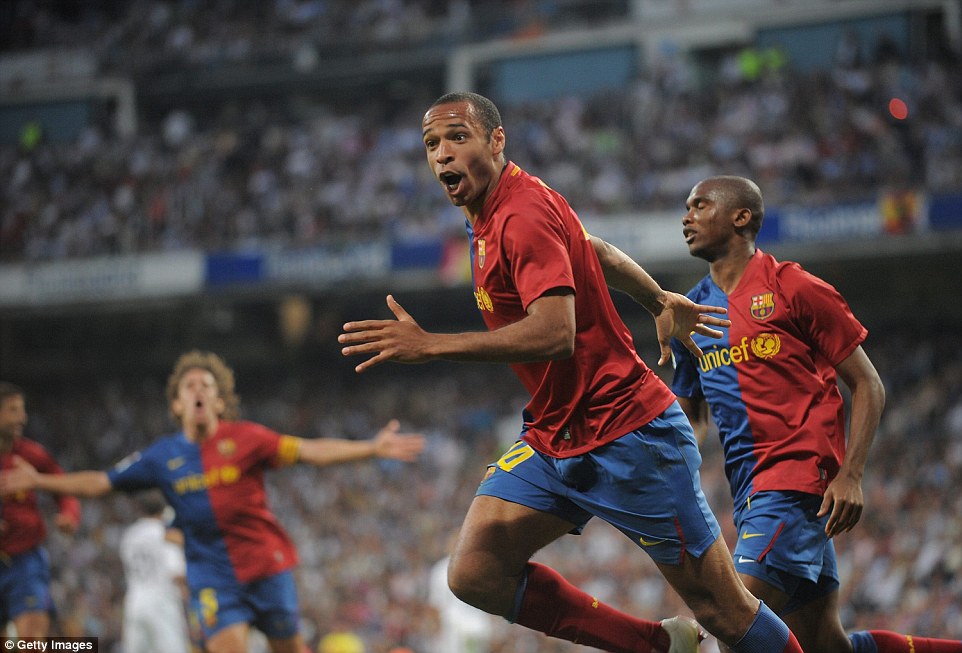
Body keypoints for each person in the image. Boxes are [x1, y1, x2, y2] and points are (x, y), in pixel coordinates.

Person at [338, 91, 806, 653]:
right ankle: (657, 646)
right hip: (557, 432)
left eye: (458, 137)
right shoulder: (489, 210)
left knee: (724, 612)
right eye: (432, 144)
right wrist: (658, 298)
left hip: (630, 434)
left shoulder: (520, 213)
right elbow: (595, 249)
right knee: (475, 572)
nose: (442, 154)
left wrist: (430, 346)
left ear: (496, 140)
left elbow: (556, 333)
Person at [667, 175, 962, 653]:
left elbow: (868, 383)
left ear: (741, 217)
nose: (687, 216)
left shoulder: (794, 287)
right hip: (749, 492)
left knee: (731, 623)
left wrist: (851, 474)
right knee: (827, 644)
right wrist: (674, 463)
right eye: (686, 207)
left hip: (796, 483)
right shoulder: (692, 313)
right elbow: (689, 410)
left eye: (700, 205)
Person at [0, 350, 425, 653]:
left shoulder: (248, 439)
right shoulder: (161, 457)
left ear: (219, 401)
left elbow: (310, 451)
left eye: (207, 385)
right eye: (190, 385)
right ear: (177, 403)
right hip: (213, 579)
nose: (199, 389)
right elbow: (102, 481)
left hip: (267, 567)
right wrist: (41, 482)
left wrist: (370, 448)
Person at [0, 381, 80, 638]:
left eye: (22, 410)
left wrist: (69, 514)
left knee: (31, 640)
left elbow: (63, 486)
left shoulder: (31, 455)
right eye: (13, 410)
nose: (22, 418)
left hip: (25, 561)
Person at [119, 489, 191, 653]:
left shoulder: (129, 535)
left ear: (140, 509)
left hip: (134, 602)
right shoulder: (165, 533)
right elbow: (177, 573)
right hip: (162, 601)